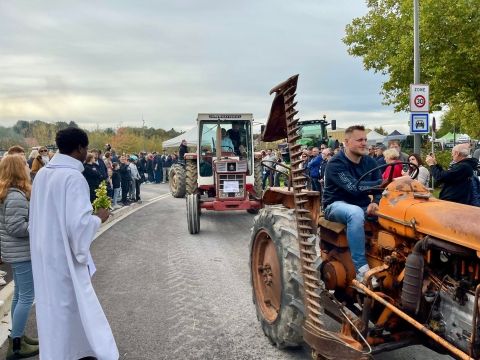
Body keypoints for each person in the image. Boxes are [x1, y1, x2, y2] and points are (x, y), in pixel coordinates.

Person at [29, 127, 119, 360]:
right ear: (79, 148)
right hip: (64, 258)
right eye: (86, 148)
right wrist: (98, 217)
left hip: (44, 254)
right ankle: (80, 352)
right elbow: (78, 228)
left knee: (54, 311)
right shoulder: (73, 178)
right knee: (74, 307)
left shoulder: (41, 175)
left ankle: (59, 352)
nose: (86, 152)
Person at [322, 125, 383, 283]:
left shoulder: (370, 161)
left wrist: (376, 202)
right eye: (359, 140)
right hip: (335, 205)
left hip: (363, 205)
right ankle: (362, 271)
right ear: (347, 142)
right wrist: (382, 184)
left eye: (365, 139)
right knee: (354, 213)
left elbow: (380, 189)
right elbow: (354, 188)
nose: (364, 143)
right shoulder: (336, 163)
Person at [0, 155, 39, 358]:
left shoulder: (9, 193)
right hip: (21, 252)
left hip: (15, 252)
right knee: (26, 296)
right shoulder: (15, 196)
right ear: (17, 169)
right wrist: (37, 225)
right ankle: (16, 345)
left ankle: (18, 336)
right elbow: (16, 227)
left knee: (19, 295)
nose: (27, 165)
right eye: (24, 163)